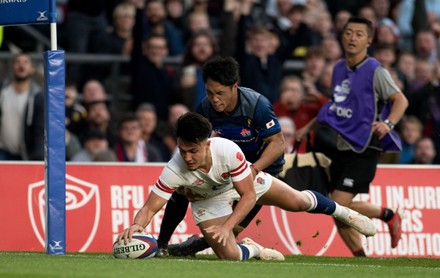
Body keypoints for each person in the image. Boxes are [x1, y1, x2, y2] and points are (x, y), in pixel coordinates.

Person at [117, 112, 376, 261]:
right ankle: (255, 248)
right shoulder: (175, 168)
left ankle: (344, 213)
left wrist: (228, 226)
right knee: (229, 256)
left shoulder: (229, 150)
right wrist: (137, 225)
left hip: (240, 185)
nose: (187, 157)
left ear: (207, 144)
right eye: (182, 150)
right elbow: (150, 207)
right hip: (207, 200)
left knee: (298, 202)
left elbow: (249, 196)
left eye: (193, 151)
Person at [296, 17, 409, 256]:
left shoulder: (375, 70)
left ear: (369, 40)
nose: (352, 38)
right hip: (341, 146)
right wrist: (309, 127)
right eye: (348, 32)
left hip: (365, 146)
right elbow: (336, 106)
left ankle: (389, 215)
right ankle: (361, 259)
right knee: (336, 211)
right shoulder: (338, 68)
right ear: (341, 36)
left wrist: (388, 123)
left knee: (337, 204)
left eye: (359, 34)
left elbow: (400, 100)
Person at [156, 56, 285, 257]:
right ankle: (161, 245)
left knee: (231, 230)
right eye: (209, 92)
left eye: (220, 93)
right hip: (230, 166)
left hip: (262, 169)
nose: (214, 99)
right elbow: (198, 143)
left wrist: (253, 169)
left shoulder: (257, 105)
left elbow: (278, 144)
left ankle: (196, 246)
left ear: (235, 86)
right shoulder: (205, 107)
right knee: (181, 190)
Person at [0, 53, 45, 161]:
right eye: (18, 62)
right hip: (2, 151)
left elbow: (39, 130)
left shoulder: (37, 97)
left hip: (26, 155)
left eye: (25, 62)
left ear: (32, 69)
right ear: (12, 67)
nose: (21, 65)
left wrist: (37, 158)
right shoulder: (2, 91)